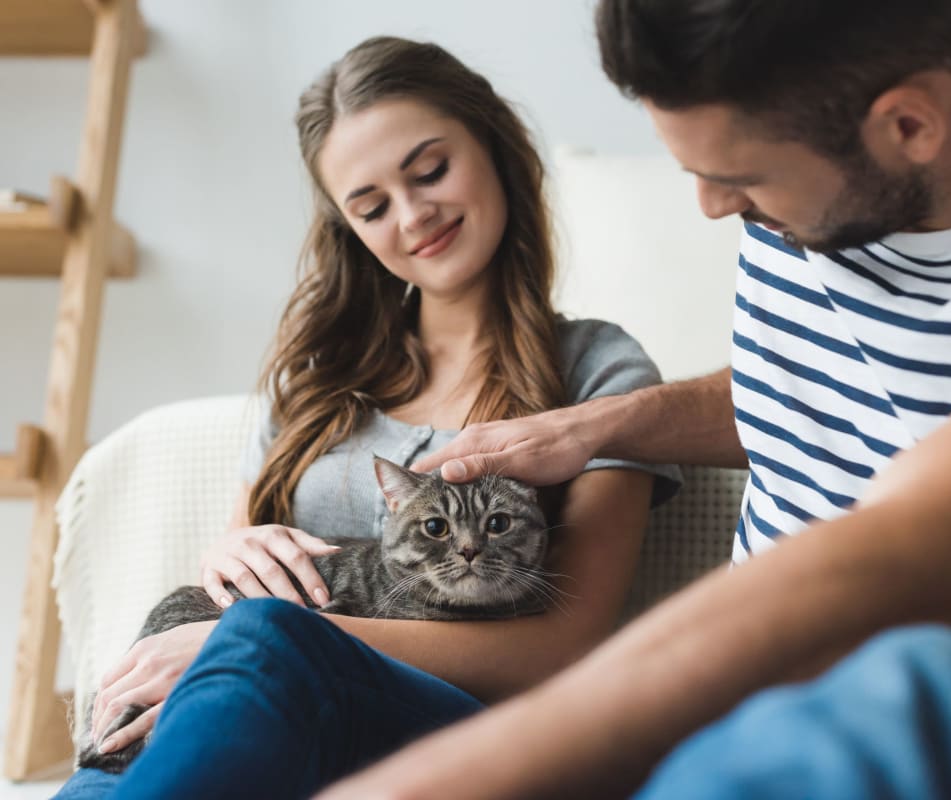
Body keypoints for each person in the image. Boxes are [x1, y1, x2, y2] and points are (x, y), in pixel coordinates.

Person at [316, 1, 951, 798]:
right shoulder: (816, 201)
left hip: (885, 720)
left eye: (739, 179)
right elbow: (809, 385)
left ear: (909, 127)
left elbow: (914, 550)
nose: (714, 208)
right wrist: (598, 425)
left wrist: (457, 774)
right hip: (749, 716)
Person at [53, 36, 679, 799]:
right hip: (249, 707)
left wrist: (273, 638)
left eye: (430, 171)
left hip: (451, 730)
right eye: (372, 206)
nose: (414, 215)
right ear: (348, 227)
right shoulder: (316, 384)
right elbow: (231, 568)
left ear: (493, 146)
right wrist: (231, 578)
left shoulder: (598, 373)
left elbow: (563, 645)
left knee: (262, 640)